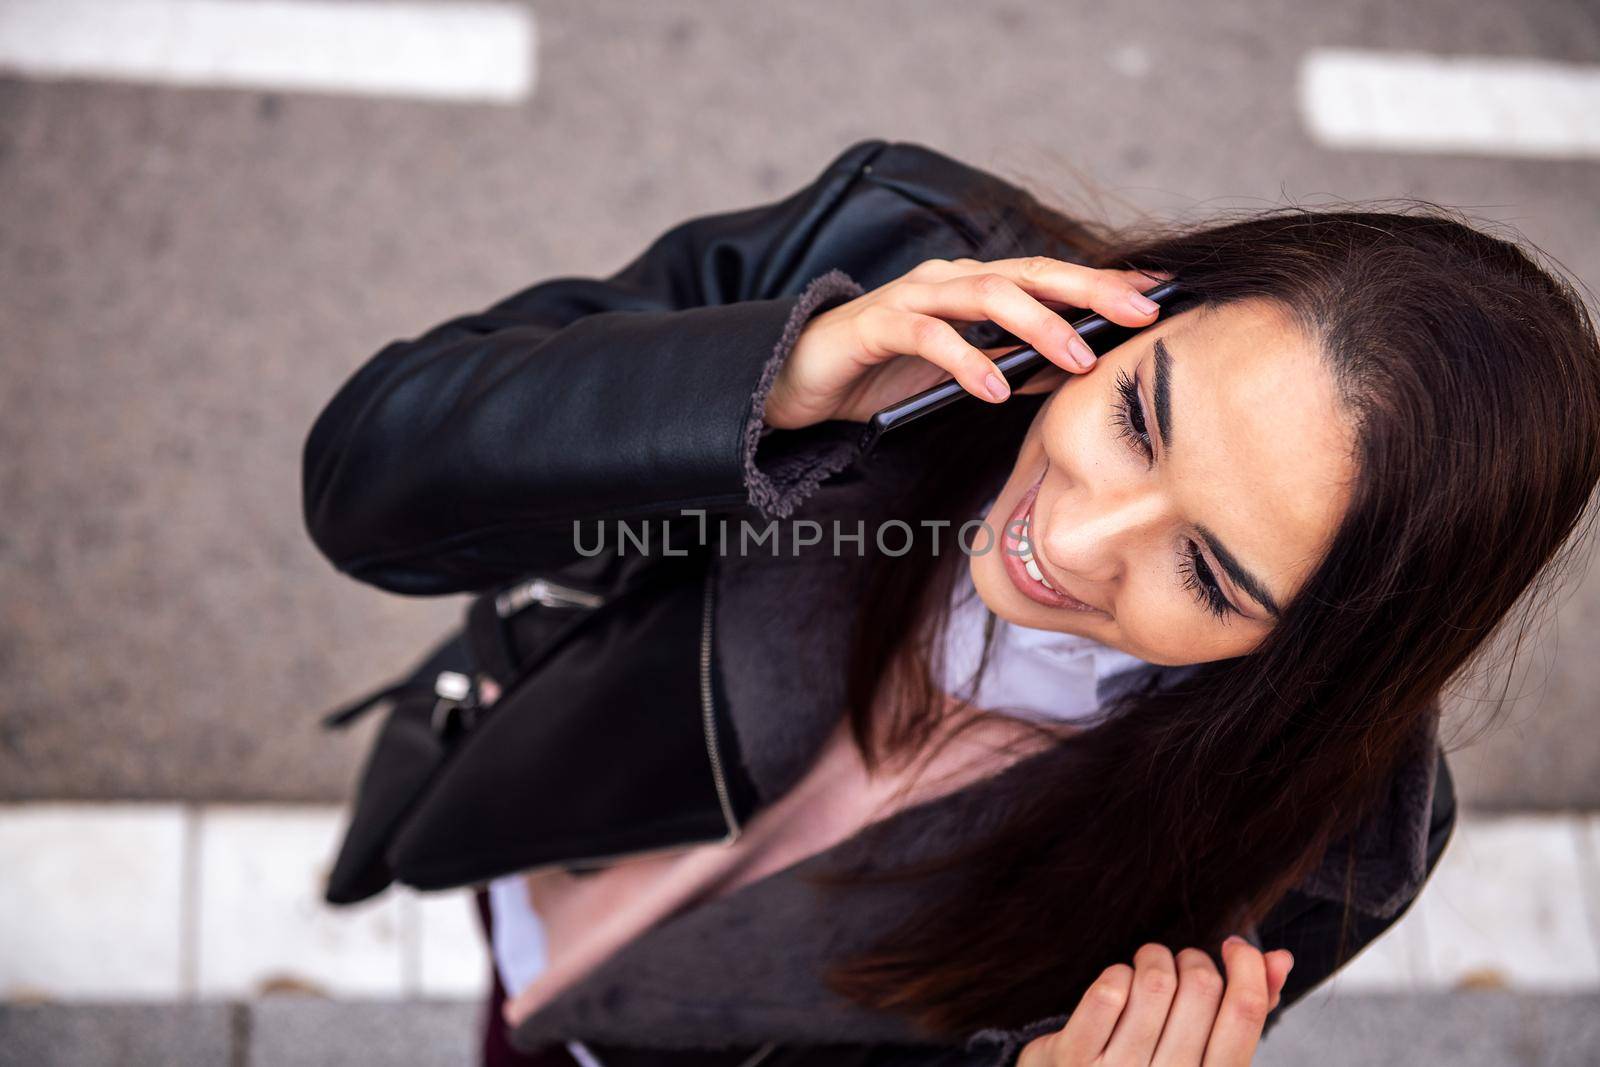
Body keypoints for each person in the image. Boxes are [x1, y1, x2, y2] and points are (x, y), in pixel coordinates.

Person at [301, 139, 1600, 1067]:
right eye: (1141, 417)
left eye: (1207, 572)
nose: (1071, 538)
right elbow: (365, 486)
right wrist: (777, 382)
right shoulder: (899, 259)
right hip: (525, 862)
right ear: (1147, 311)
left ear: (1318, 656)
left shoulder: (1324, 845)